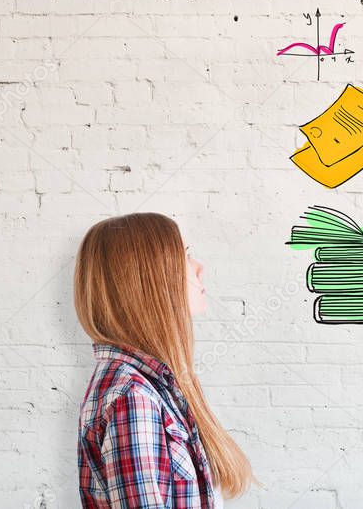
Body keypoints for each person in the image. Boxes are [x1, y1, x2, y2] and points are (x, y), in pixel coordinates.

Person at [74, 213, 252, 507]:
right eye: (185, 255)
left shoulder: (149, 387)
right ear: (149, 278)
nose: (199, 267)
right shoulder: (132, 398)